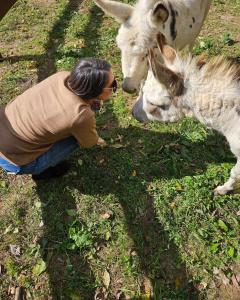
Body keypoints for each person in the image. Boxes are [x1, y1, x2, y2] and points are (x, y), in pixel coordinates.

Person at [0, 58, 117, 180]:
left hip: (5, 132)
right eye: (112, 85)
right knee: (77, 139)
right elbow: (90, 142)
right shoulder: (80, 116)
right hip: (14, 162)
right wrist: (90, 133)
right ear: (95, 91)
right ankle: (41, 171)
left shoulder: (62, 76)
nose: (115, 85)